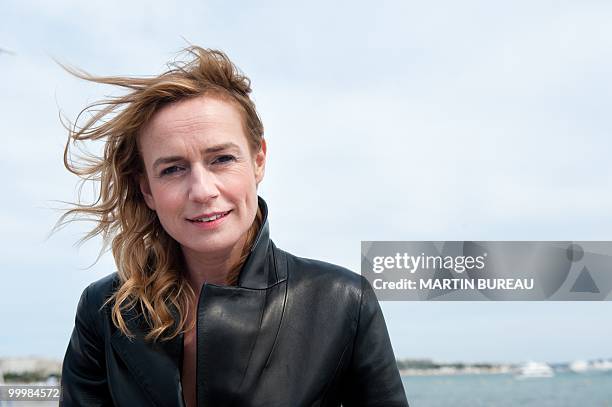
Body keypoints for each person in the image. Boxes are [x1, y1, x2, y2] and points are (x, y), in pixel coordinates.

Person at [58, 46, 409, 406]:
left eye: (222, 159)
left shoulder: (343, 302)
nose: (202, 190)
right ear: (147, 188)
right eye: (173, 169)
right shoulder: (106, 309)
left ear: (258, 161)